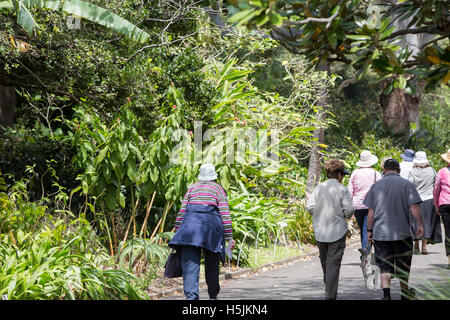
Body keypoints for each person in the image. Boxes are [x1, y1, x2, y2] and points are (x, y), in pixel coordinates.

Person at [169, 163, 235, 300]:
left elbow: (182, 212)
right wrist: (229, 237)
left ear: (200, 175)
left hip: (188, 231)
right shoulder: (218, 189)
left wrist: (178, 231)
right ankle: (213, 297)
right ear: (214, 176)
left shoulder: (192, 188)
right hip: (211, 232)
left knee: (190, 268)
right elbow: (225, 214)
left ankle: (191, 298)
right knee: (212, 265)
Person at [363, 159, 424, 300]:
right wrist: (420, 224)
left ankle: (386, 295)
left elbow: (371, 212)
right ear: (399, 170)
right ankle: (404, 293)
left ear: (384, 170)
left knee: (384, 265)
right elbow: (414, 207)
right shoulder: (407, 184)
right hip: (402, 233)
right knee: (403, 264)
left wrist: (369, 231)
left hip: (381, 234)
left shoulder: (375, 186)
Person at [306, 158, 355, 300]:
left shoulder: (319, 188)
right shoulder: (342, 189)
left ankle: (330, 291)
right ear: (339, 174)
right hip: (337, 231)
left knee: (325, 263)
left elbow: (310, 207)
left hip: (320, 231)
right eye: (343, 175)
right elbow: (349, 211)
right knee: (333, 264)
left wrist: (319, 211)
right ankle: (330, 295)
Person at [348, 150, 382, 257]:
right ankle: (366, 254)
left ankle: (366, 252)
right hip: (371, 206)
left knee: (364, 229)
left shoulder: (355, 173)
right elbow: (381, 190)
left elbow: (350, 191)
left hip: (357, 205)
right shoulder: (376, 173)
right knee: (367, 229)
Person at [408, 151, 442, 255]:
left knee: (416, 222)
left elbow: (410, 184)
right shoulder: (432, 170)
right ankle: (424, 248)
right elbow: (436, 184)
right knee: (427, 222)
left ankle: (416, 246)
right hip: (429, 199)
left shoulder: (412, 172)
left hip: (416, 200)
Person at [433, 149, 450, 269]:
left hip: (445, 204)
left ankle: (449, 260)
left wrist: (436, 205)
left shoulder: (442, 172)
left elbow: (436, 189)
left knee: (448, 233)